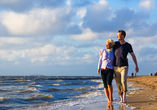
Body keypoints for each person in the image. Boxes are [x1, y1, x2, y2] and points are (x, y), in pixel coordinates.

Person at [113, 30, 139, 103]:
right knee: (118, 83)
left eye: (118, 35)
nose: (117, 36)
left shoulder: (128, 45)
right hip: (115, 66)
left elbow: (133, 55)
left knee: (123, 81)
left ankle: (124, 97)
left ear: (122, 36)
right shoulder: (115, 44)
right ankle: (121, 98)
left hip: (124, 66)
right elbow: (108, 48)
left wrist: (136, 65)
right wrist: (102, 53)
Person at [97, 39, 115, 103]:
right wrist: (98, 68)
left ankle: (111, 97)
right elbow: (100, 60)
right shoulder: (103, 51)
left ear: (111, 45)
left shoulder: (114, 51)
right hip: (103, 69)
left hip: (110, 69)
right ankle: (108, 99)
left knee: (109, 83)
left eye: (107, 45)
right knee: (105, 85)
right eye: (106, 45)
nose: (106, 46)